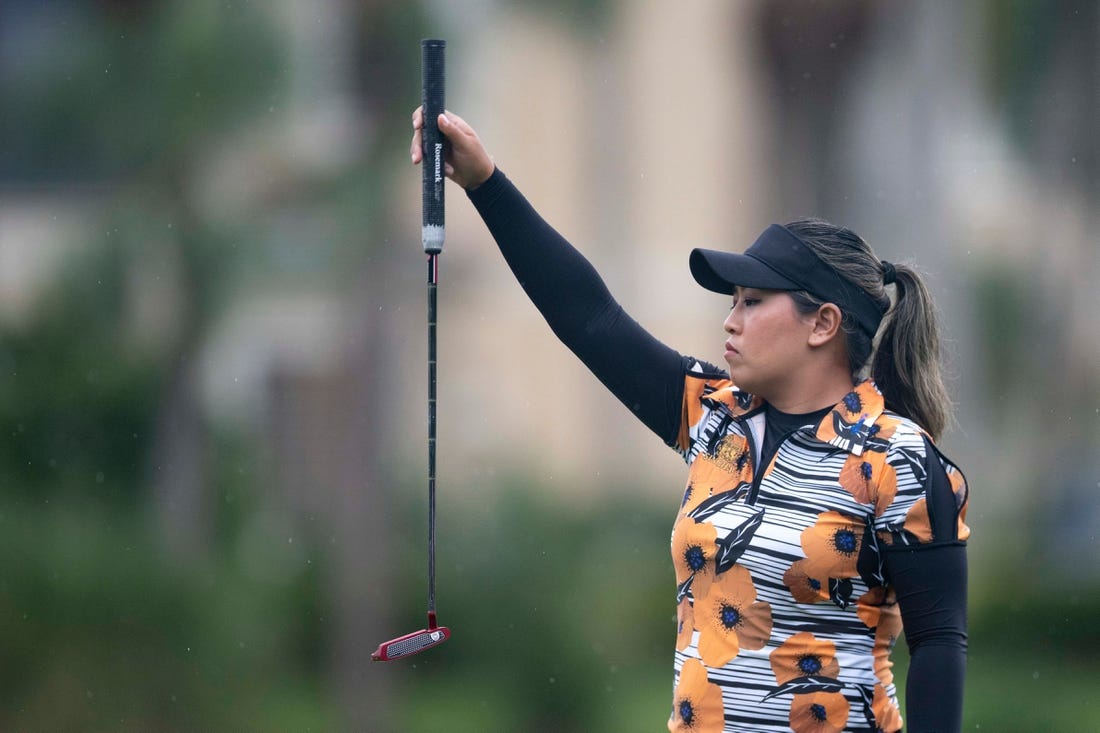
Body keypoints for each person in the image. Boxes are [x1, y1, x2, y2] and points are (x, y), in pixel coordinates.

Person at [410, 107, 969, 733]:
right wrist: (485, 183)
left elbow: (939, 645)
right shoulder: (712, 415)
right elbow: (589, 317)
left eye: (753, 302)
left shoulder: (900, 458)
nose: (730, 321)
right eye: (733, 303)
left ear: (823, 323)